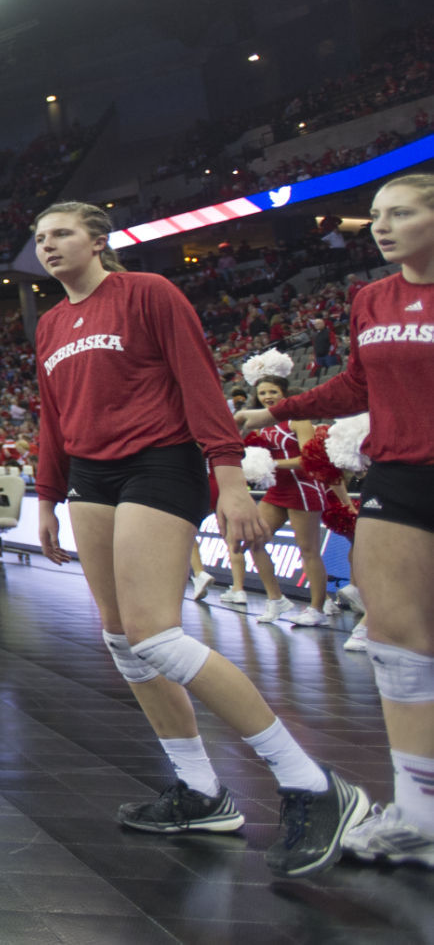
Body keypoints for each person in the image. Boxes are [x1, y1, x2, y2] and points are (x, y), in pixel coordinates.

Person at [31, 200, 363, 878]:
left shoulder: (149, 293)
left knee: (155, 633)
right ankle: (202, 792)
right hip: (90, 475)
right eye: (40, 238)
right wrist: (45, 496)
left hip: (160, 461)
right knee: (121, 637)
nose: (48, 245)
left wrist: (231, 476)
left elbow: (199, 382)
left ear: (98, 241)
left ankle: (310, 783)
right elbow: (51, 416)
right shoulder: (50, 324)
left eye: (61, 233)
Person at [238, 174, 434, 868]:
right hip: (402, 475)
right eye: (375, 216)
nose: (381, 226)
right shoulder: (371, 298)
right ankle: (419, 814)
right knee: (394, 642)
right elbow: (357, 384)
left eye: (401, 214)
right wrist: (276, 412)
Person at [237, 369, 336, 627]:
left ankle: (317, 610)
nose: (267, 397)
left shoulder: (297, 419)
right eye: (262, 393)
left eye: (273, 392)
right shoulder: (258, 422)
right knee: (253, 540)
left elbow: (307, 459)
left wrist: (271, 463)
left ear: (283, 393)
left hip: (304, 487)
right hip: (277, 489)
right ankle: (276, 599)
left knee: (308, 550)